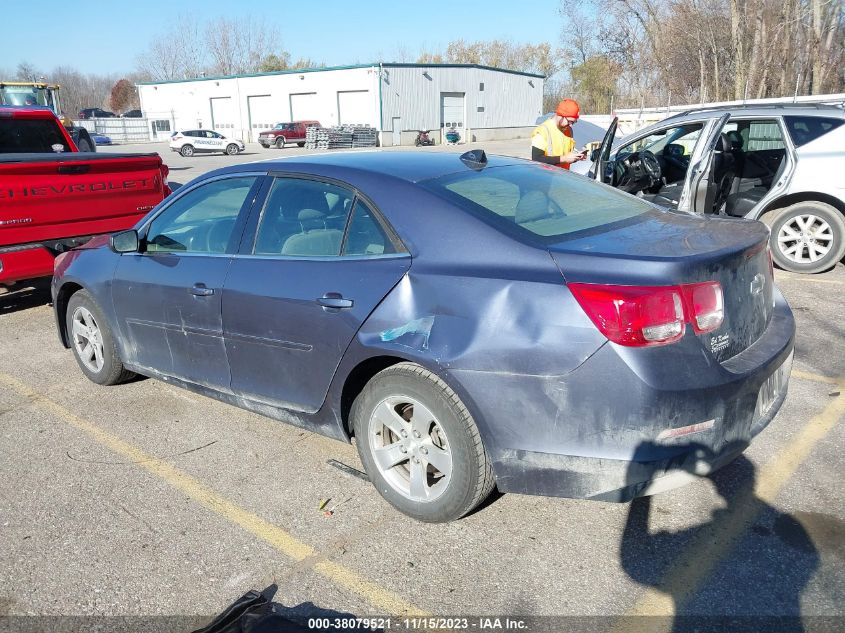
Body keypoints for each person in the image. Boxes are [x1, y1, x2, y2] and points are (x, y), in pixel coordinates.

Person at [531, 98, 585, 169]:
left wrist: (575, 158)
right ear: (560, 115)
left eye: (573, 122)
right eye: (569, 121)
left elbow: (567, 159)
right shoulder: (543, 131)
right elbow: (536, 159)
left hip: (562, 177)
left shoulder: (569, 130)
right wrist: (563, 159)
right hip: (546, 178)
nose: (571, 125)